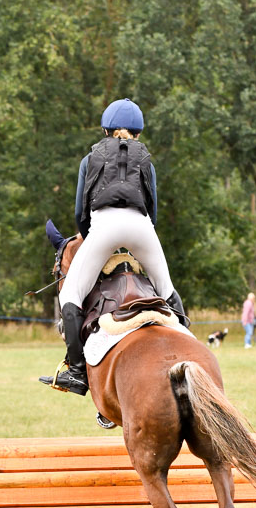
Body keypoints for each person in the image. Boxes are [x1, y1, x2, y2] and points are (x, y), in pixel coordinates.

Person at [40, 98, 187, 395]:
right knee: (167, 290)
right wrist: (137, 245)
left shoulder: (90, 158)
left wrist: (91, 238)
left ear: (106, 130)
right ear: (138, 133)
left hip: (103, 226)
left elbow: (80, 211)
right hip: (141, 228)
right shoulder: (146, 159)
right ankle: (188, 357)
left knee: (71, 294)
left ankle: (78, 372)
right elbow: (153, 210)